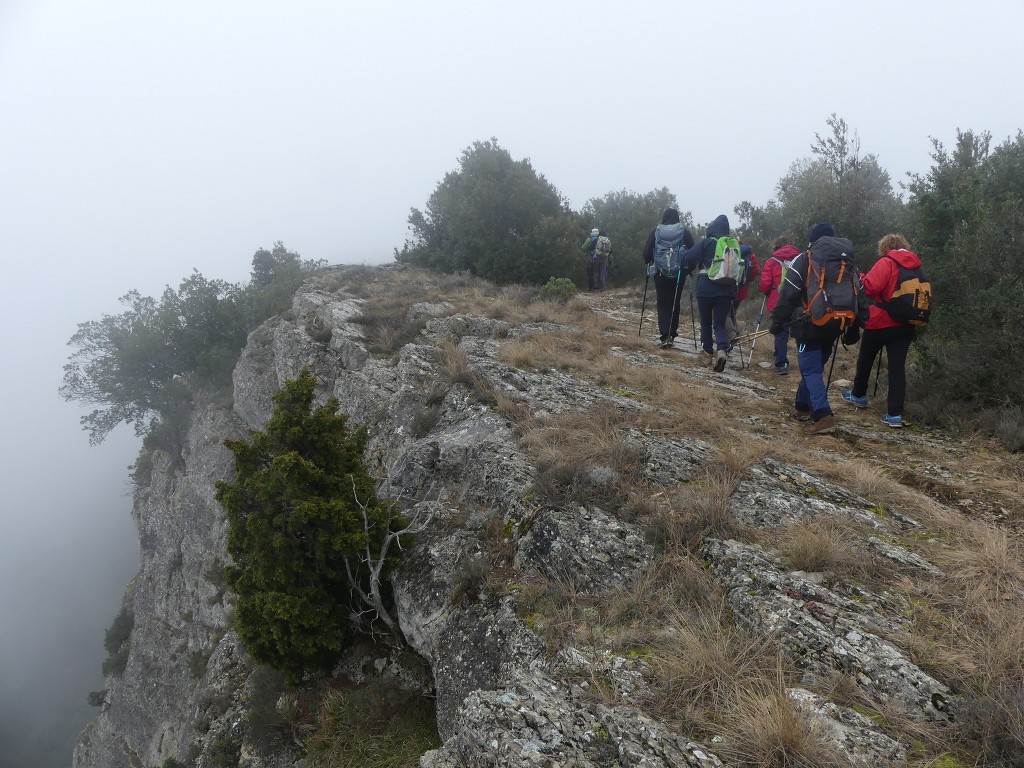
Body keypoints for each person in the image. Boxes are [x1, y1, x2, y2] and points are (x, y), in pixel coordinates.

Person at [770, 222, 869, 435]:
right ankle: (802, 406)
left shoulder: (806, 258)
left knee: (811, 368)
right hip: (837, 324)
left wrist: (778, 320)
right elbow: (860, 293)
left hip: (809, 323)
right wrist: (858, 324)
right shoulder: (848, 261)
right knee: (814, 366)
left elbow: (789, 291)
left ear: (812, 239)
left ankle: (823, 415)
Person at [840, 233, 923, 428]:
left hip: (881, 321)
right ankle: (895, 414)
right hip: (906, 323)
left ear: (884, 247)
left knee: (866, 358)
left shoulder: (887, 261)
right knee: (897, 368)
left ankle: (859, 395)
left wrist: (860, 276)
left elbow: (869, 288)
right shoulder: (916, 264)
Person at [681, 214, 735, 371]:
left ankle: (706, 353)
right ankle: (722, 350)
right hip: (726, 290)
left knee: (706, 322)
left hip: (706, 288)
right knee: (719, 323)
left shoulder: (707, 242)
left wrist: (683, 255)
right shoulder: (732, 245)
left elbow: (688, 259)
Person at [642, 207, 694, 348]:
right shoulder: (684, 232)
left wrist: (650, 261)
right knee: (674, 303)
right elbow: (693, 252)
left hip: (660, 273)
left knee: (663, 303)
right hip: (679, 273)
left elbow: (646, 255)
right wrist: (689, 269)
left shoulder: (656, 232)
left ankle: (665, 336)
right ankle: (672, 334)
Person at [759, 235, 801, 375]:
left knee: (780, 332)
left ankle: (781, 363)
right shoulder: (801, 259)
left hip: (777, 302)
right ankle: (801, 362)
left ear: (777, 246)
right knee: (797, 332)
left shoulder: (772, 261)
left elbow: (765, 284)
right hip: (796, 302)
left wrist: (766, 291)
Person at [726, 239, 760, 346]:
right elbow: (756, 270)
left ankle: (731, 336)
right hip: (741, 290)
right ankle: (732, 337)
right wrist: (747, 280)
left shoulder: (727, 248)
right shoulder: (749, 253)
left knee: (725, 313)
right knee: (732, 313)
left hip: (727, 287)